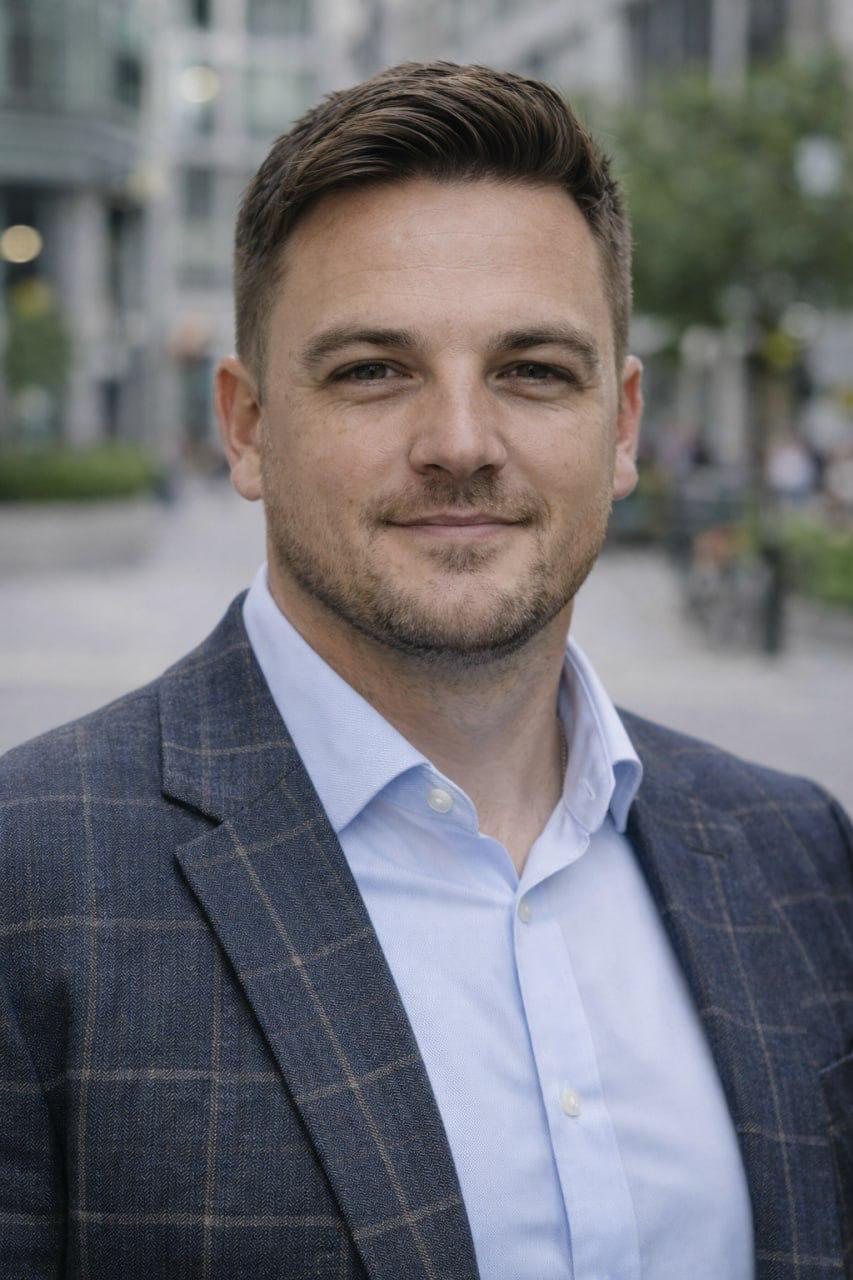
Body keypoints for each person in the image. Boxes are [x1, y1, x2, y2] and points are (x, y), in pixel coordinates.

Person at [1, 62, 851, 1280]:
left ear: (620, 426)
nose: (460, 443)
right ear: (246, 425)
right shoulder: (28, 877)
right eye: (372, 370)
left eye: (533, 370)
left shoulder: (800, 856)